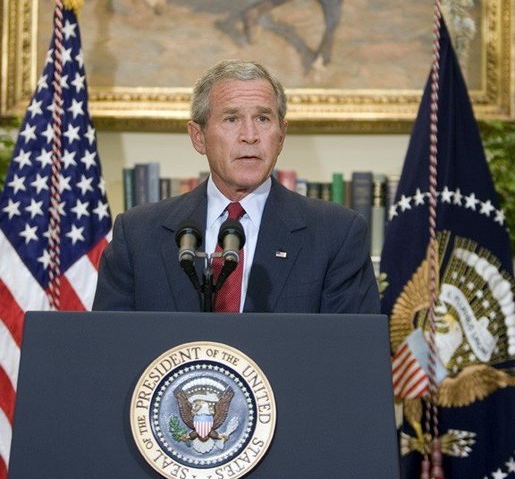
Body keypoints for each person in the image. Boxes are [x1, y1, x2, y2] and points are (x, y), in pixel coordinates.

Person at [93, 60, 379, 313]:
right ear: (198, 137)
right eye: (232, 119)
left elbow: (348, 357)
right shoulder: (138, 234)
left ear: (281, 136)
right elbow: (110, 351)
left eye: (263, 119)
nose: (250, 136)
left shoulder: (337, 234)